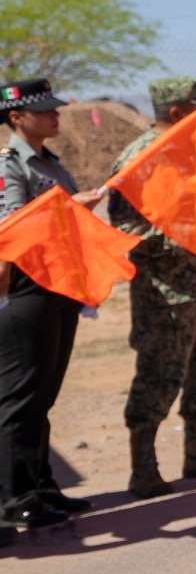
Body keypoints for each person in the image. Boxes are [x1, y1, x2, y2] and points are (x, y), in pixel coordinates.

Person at [110, 77, 196, 499]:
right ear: (177, 113)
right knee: (160, 372)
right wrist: (184, 235)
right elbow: (124, 227)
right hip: (167, 290)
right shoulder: (139, 159)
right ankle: (143, 467)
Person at [0, 78, 106, 527]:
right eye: (44, 111)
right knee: (20, 397)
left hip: (59, 287)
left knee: (43, 395)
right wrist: (68, 208)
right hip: (27, 289)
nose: (55, 115)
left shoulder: (51, 164)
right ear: (16, 117)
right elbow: (10, 229)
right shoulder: (10, 166)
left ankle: (41, 486)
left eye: (55, 109)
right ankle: (14, 498)